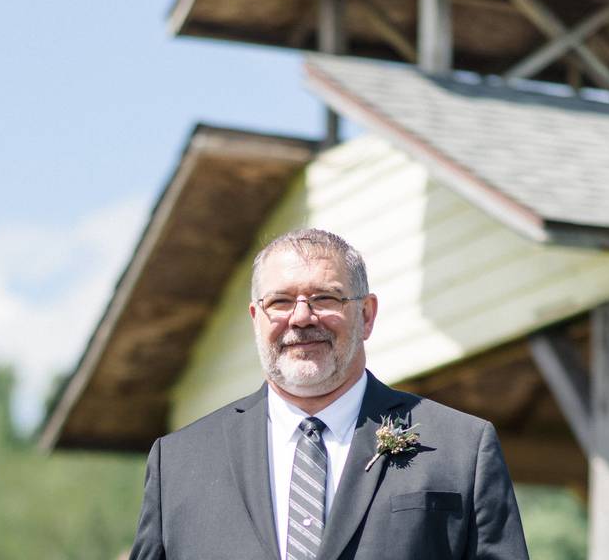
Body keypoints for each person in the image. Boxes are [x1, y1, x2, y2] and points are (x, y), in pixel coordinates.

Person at [130, 229, 529, 559]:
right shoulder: (179, 464)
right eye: (280, 301)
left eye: (324, 298)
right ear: (257, 318)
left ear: (367, 315)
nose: (301, 317)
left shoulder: (461, 448)